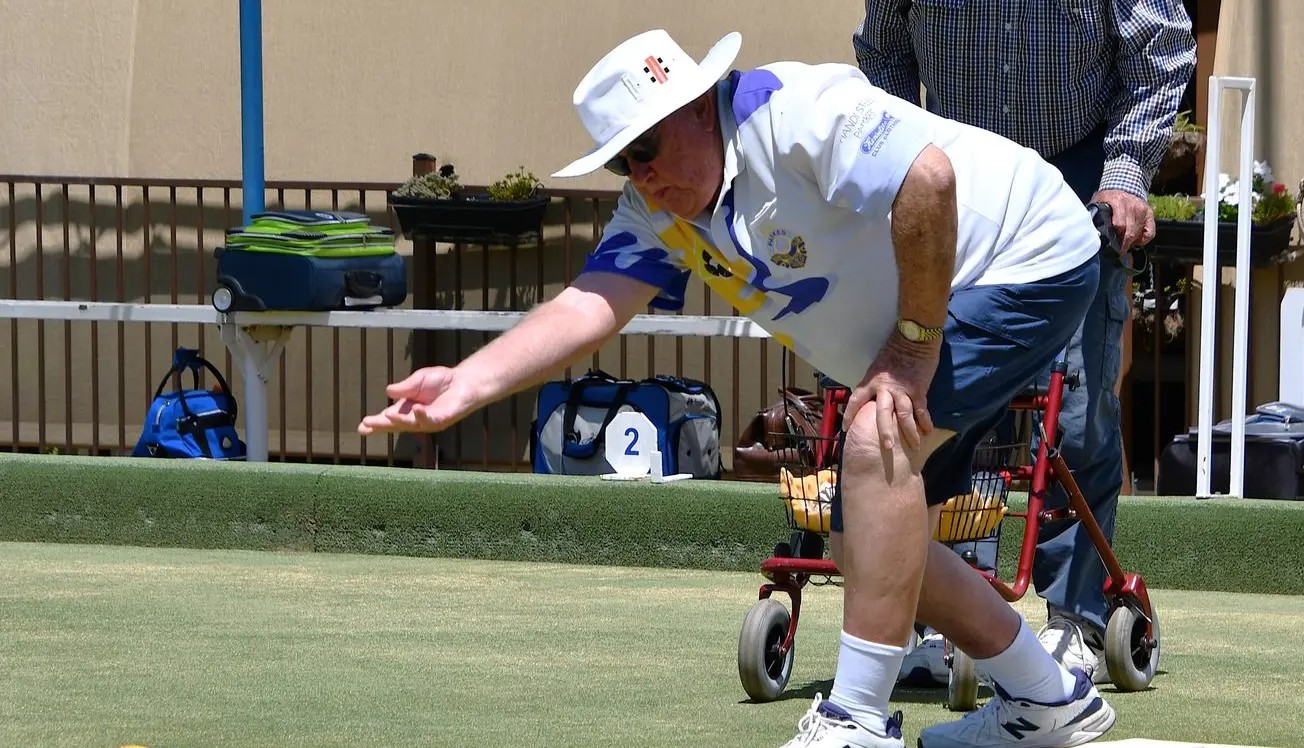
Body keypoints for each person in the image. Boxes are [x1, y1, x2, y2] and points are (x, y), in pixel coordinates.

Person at [360, 29, 1116, 748]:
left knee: (874, 436)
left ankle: (856, 720)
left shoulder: (793, 113)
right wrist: (465, 381)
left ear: (696, 106)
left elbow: (929, 179)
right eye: (622, 162)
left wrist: (912, 350)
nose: (641, 175)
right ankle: (1047, 698)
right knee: (866, 539)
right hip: (953, 295)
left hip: (1026, 258)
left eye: (646, 148)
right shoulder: (659, 211)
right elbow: (588, 306)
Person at [854, 1, 1197, 685]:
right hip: (957, 177)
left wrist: (1126, 173)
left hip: (1079, 175)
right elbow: (884, 52)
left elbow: (1160, 48)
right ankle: (946, 610)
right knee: (947, 399)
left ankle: (1076, 619)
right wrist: (898, 163)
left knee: (1078, 412)